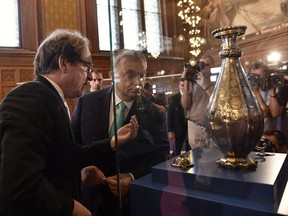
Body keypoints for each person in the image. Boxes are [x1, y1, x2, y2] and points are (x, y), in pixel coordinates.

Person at [0, 29, 138, 216]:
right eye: (86, 67)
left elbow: (65, 156)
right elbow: (20, 184)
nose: (90, 76)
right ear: (64, 63)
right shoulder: (31, 98)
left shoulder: (49, 97)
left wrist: (111, 143)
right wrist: (70, 208)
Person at [71, 49, 170, 216]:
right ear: (113, 73)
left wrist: (133, 177)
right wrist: (81, 171)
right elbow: (71, 146)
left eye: (142, 75)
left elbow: (162, 159)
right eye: (130, 75)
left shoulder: (155, 114)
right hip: (90, 202)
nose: (138, 82)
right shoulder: (86, 103)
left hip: (131, 204)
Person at [181, 55, 216, 150]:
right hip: (195, 126)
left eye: (207, 65)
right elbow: (185, 105)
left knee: (215, 158)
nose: (204, 68)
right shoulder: (193, 81)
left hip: (214, 127)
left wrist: (205, 85)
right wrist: (186, 87)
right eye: (202, 65)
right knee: (198, 161)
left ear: (213, 66)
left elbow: (218, 102)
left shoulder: (218, 80)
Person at [247, 61, 276, 132]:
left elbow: (266, 113)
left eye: (259, 76)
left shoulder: (271, 89)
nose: (256, 79)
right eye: (254, 76)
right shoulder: (246, 91)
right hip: (251, 133)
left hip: (267, 131)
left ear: (266, 76)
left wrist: (257, 93)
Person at [167, 78, 189, 156]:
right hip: (178, 130)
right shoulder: (174, 98)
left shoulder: (191, 97)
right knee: (176, 152)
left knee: (189, 151)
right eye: (182, 85)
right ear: (179, 86)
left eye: (185, 85)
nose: (184, 87)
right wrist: (170, 131)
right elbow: (169, 116)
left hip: (189, 129)